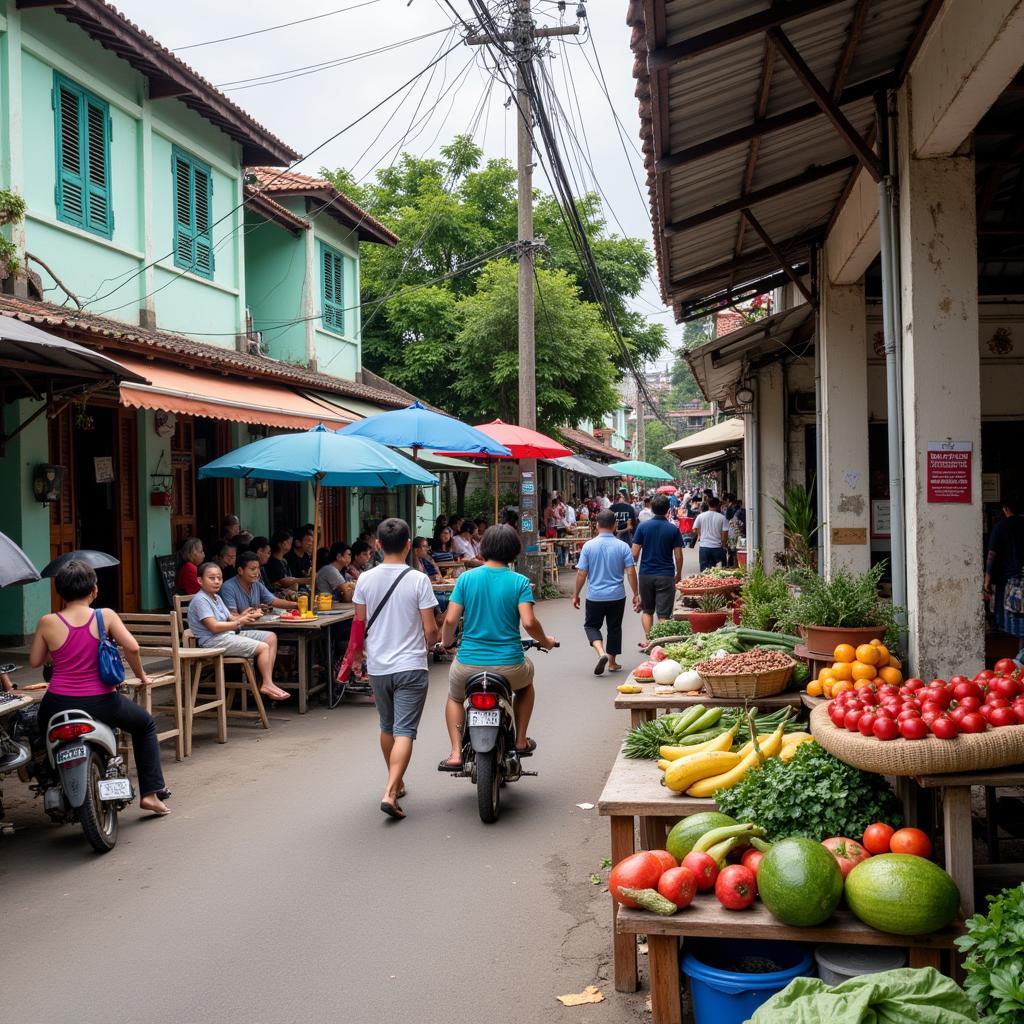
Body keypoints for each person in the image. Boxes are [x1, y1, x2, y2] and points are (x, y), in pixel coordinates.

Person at [30, 560, 170, 815]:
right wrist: (142, 676)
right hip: (101, 702)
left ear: (59, 592)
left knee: (40, 736)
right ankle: (151, 793)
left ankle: (52, 781)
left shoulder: (47, 622)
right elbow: (133, 648)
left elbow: (36, 661)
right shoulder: (104, 615)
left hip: (57, 702)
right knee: (145, 724)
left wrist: (58, 650)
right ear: (94, 590)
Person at [438, 525, 556, 771]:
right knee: (525, 687)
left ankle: (455, 753)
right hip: (510, 665)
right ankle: (521, 740)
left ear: (483, 548)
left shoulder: (466, 579)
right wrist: (546, 641)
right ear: (514, 551)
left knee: (455, 697)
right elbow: (529, 622)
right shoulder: (520, 582)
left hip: (468, 665)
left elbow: (450, 620)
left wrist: (446, 642)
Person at [348, 518, 439, 820]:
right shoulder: (418, 580)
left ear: (377, 545)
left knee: (387, 726)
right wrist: (436, 642)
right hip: (411, 665)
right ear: (409, 545)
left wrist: (359, 655)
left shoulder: (364, 579)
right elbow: (430, 629)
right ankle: (390, 790)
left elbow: (359, 623)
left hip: (379, 666)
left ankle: (397, 783)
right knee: (405, 731)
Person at [187, 562, 290, 701]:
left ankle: (267, 682)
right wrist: (240, 622)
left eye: (219, 578)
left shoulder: (216, 597)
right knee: (263, 647)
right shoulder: (200, 600)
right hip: (213, 641)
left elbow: (231, 618)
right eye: (212, 578)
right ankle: (267, 684)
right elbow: (214, 627)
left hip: (227, 635)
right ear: (200, 580)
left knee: (270, 637)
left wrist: (245, 615)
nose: (217, 581)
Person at [573, 510, 640, 675]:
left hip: (595, 596)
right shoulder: (623, 546)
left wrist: (576, 594)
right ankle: (612, 662)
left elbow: (582, 573)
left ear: (596, 525)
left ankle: (600, 652)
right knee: (614, 628)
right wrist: (636, 594)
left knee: (591, 626)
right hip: (617, 595)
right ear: (615, 525)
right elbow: (631, 572)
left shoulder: (588, 546)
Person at [631, 494, 684, 645]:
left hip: (646, 574)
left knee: (647, 610)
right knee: (663, 614)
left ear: (652, 509)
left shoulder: (642, 527)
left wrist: (630, 568)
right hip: (666, 575)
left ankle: (649, 640)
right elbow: (679, 556)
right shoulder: (673, 529)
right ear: (668, 509)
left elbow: (634, 554)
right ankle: (662, 643)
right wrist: (678, 573)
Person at [984, 496, 1024, 634]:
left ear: (1005, 509)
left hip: (1008, 582)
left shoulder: (1000, 527)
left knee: (1009, 621)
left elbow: (991, 556)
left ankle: (1015, 652)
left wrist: (987, 581)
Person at [222, 552, 298, 614]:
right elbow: (233, 615)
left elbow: (274, 601)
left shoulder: (257, 584)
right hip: (238, 630)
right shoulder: (228, 587)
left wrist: (297, 605)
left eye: (258, 568)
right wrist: (248, 615)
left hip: (255, 626)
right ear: (240, 570)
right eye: (252, 569)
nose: (257, 572)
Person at [692, 496, 728, 571]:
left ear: (708, 504)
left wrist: (700, 534)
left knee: (704, 572)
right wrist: (723, 545)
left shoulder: (700, 516)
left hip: (704, 548)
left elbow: (694, 529)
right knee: (719, 572)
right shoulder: (722, 518)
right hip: (717, 548)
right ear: (718, 505)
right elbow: (725, 534)